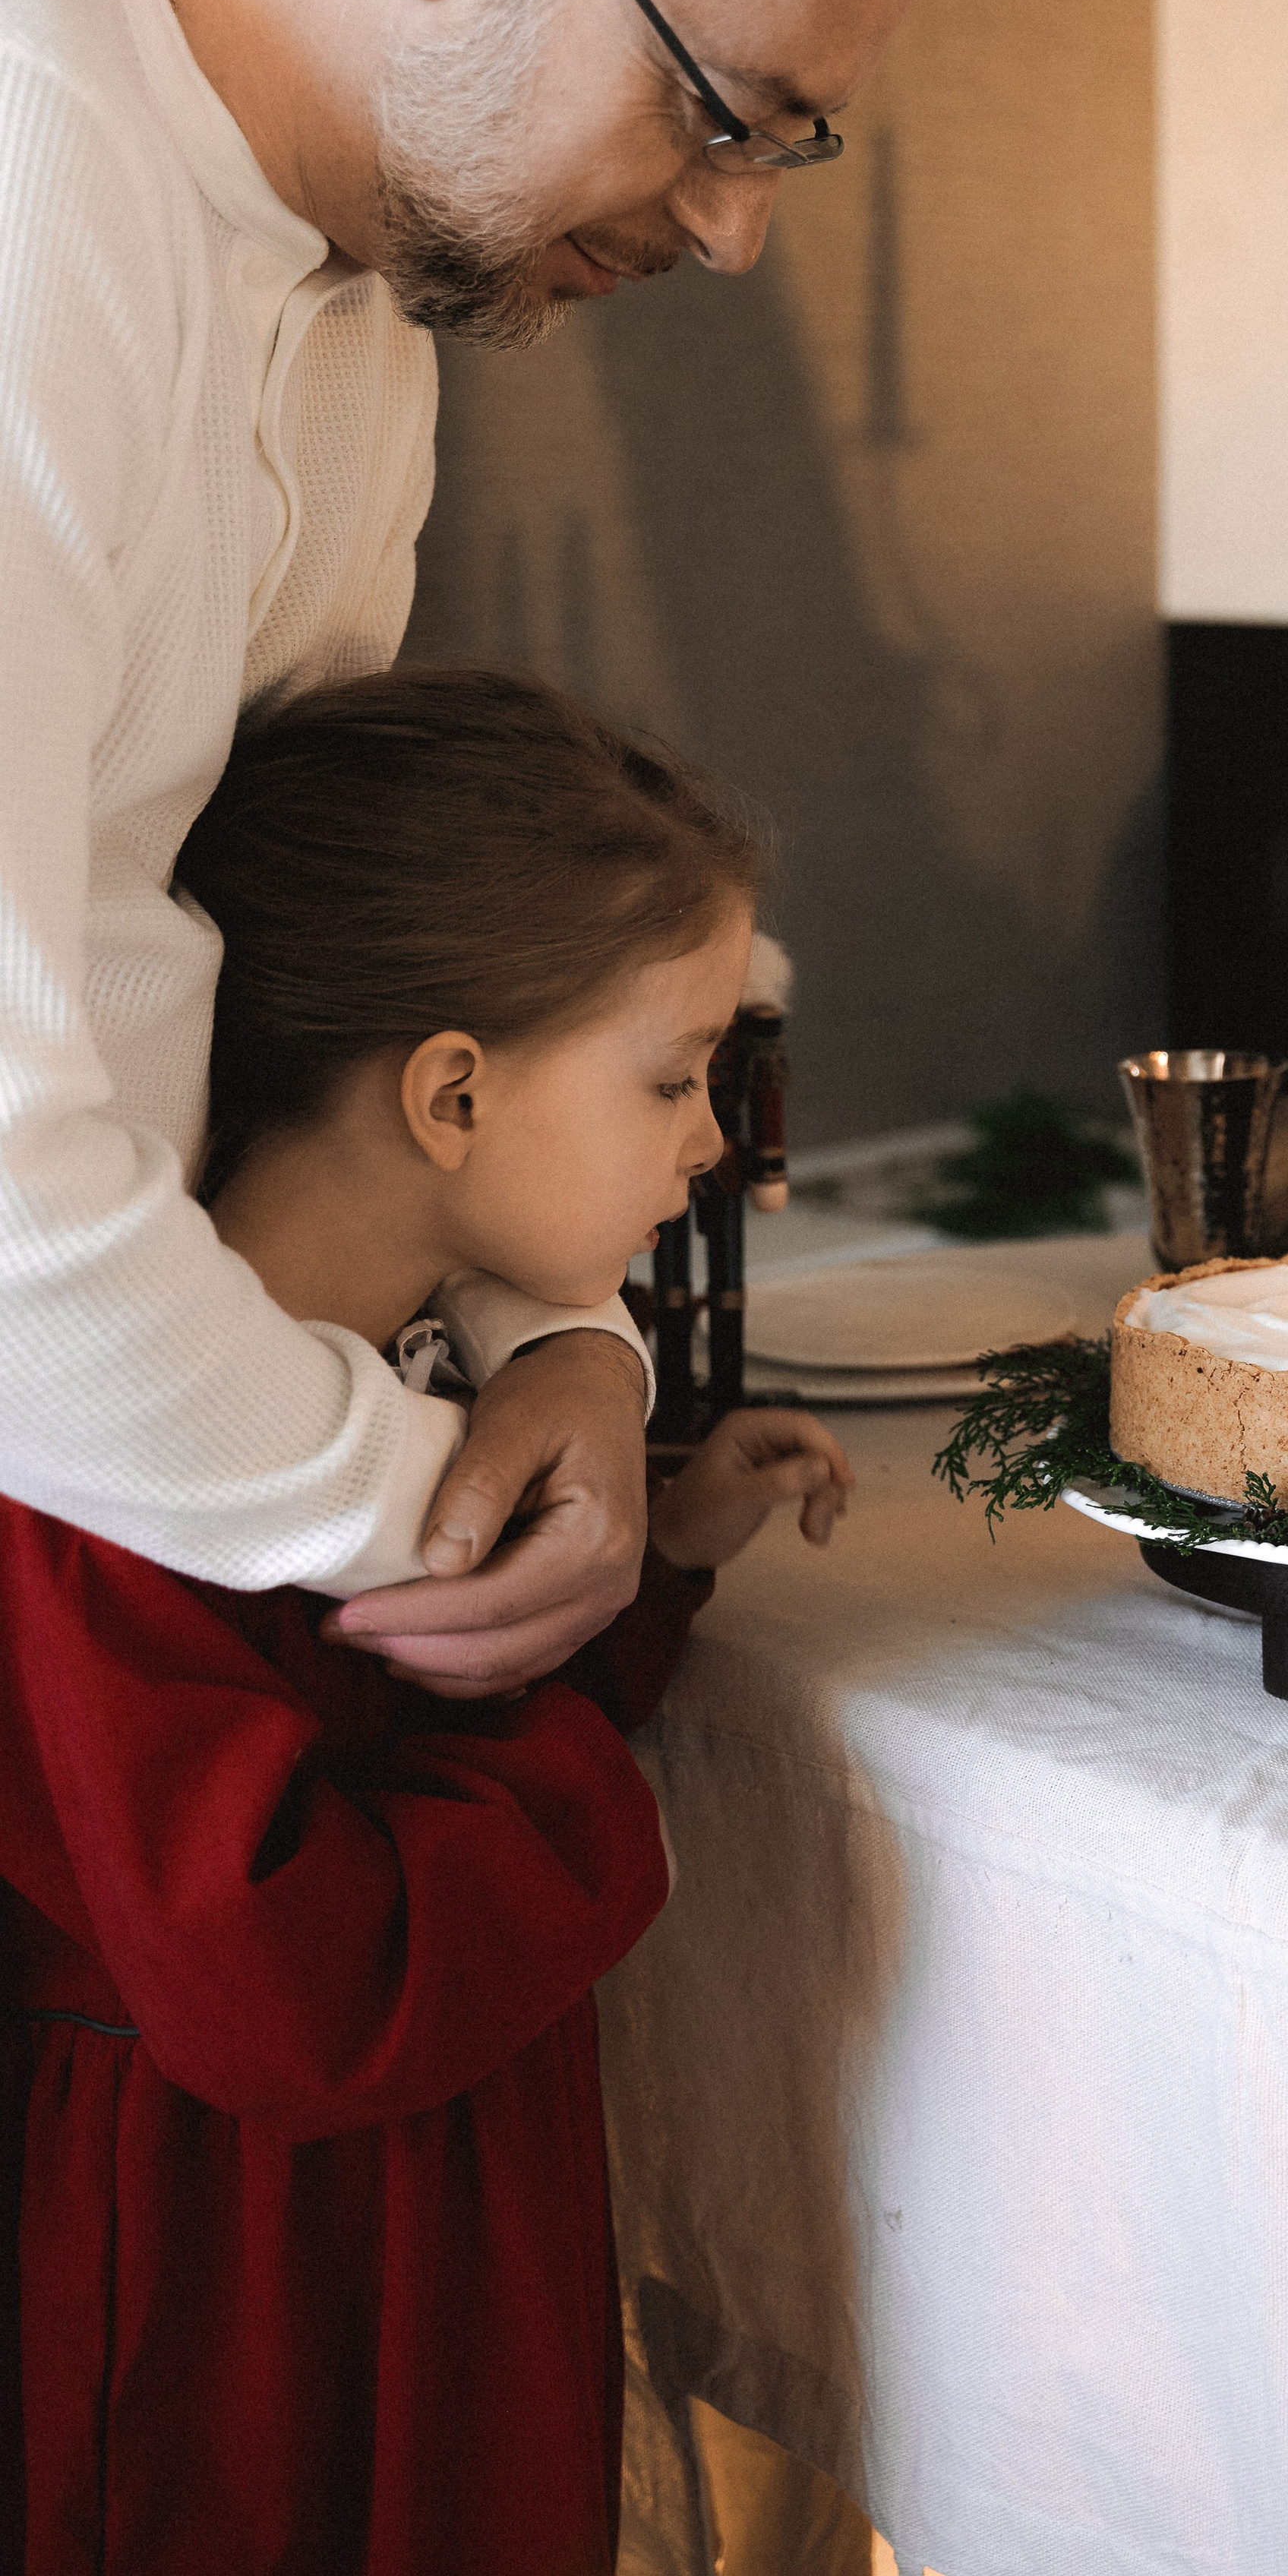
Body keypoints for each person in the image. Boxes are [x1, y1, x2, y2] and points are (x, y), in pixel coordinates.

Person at [0, 0, 967, 1689]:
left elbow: (340, 953)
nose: (731, 236)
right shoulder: (29, 176)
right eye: (728, 117)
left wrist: (573, 1356)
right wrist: (439, 1487)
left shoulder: (365, 263)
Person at [0, 667, 857, 2576]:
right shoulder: (122, 1471)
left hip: (418, 2204)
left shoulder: (415, 1374)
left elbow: (419, 1707)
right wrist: (592, 1791)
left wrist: (647, 1570)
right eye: (670, 1073)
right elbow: (294, 1985)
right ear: (452, 1091)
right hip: (242, 2278)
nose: (709, 1139)